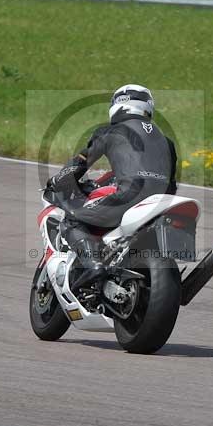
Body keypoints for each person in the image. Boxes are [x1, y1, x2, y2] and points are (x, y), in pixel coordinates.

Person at [48, 85, 178, 290]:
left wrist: (57, 181)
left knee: (73, 219)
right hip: (163, 204)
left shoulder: (110, 131)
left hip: (130, 197)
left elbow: (79, 164)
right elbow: (171, 185)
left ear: (118, 105)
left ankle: (93, 265)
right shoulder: (167, 142)